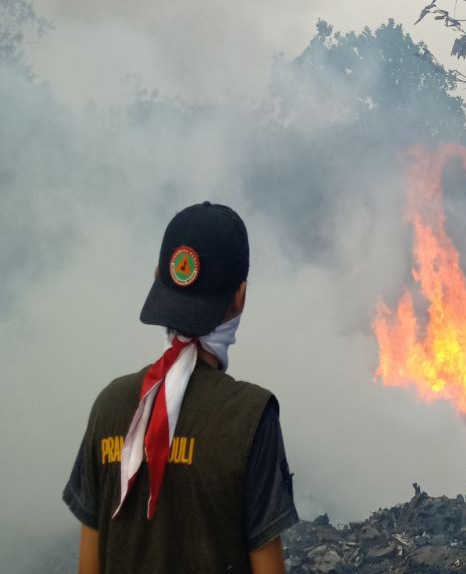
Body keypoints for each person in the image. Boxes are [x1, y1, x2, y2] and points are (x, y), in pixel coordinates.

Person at [63, 202, 299, 574]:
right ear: (240, 297)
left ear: (158, 276)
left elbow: (88, 567)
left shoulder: (108, 405)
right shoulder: (252, 417)